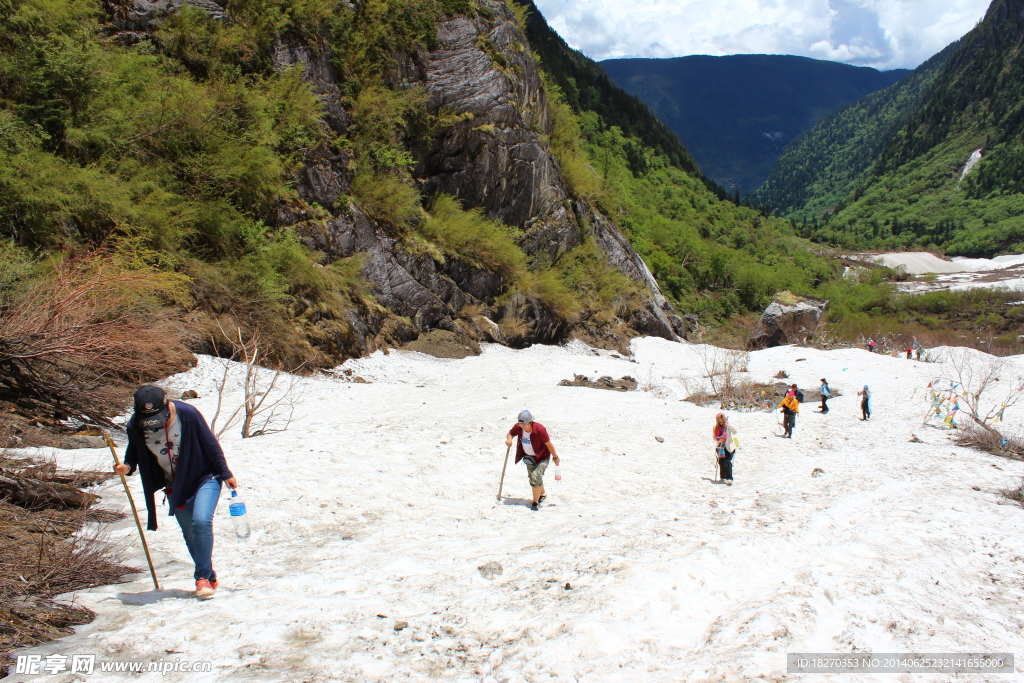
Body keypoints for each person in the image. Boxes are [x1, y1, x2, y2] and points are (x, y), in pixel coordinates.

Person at [114, 385, 237, 597]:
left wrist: (226, 473)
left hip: (205, 476)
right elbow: (133, 451)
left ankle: (201, 578)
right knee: (190, 533)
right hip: (174, 484)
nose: (154, 425)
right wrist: (126, 467)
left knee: (201, 521)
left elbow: (211, 444)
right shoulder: (136, 424)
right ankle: (208, 575)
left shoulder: (187, 414)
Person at [505, 410, 560, 510]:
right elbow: (510, 433)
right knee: (533, 478)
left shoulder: (539, 429)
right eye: (521, 424)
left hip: (542, 456)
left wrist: (555, 457)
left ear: (530, 422)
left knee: (535, 477)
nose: (522, 426)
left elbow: (548, 444)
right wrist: (509, 440)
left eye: (524, 425)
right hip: (529, 457)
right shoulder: (518, 427)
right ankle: (542, 494)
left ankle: (535, 501)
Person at [713, 412, 738, 485]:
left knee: (728, 461)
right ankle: (722, 476)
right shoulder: (716, 427)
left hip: (729, 447)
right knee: (721, 462)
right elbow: (714, 436)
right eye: (719, 421)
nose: (721, 423)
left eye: (722, 421)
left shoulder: (728, 427)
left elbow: (735, 432)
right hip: (720, 446)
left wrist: (728, 424)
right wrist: (719, 440)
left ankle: (729, 478)